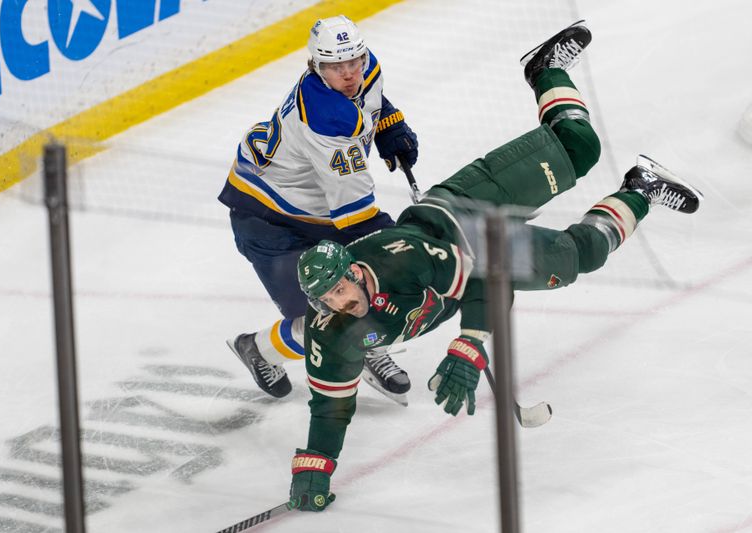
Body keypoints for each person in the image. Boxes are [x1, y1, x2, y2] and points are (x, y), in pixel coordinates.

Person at [287, 21, 703, 511]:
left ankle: (545, 70)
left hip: (467, 209)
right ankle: (642, 188)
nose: (341, 300)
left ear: (357, 270)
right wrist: (315, 463)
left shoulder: (403, 262)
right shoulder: (331, 335)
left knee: (579, 147)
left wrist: (468, 346)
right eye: (329, 298)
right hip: (480, 254)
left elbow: (486, 277)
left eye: (342, 286)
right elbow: (331, 407)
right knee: (581, 256)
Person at [218, 15, 419, 403]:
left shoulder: (364, 67)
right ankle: (256, 348)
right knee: (323, 312)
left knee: (363, 283)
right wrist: (403, 242)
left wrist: (389, 125)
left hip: (316, 204)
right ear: (315, 66)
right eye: (335, 67)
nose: (348, 74)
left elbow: (372, 98)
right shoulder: (326, 119)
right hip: (264, 216)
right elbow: (357, 218)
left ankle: (370, 347)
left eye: (353, 61)